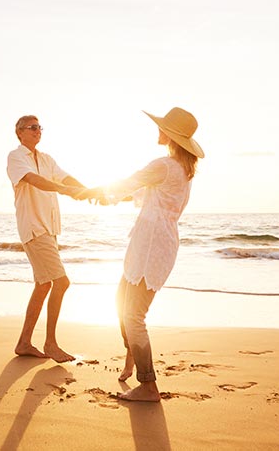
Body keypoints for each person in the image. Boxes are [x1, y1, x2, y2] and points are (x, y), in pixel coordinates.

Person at [81, 107, 204, 401]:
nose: (157, 130)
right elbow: (137, 193)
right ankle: (132, 355)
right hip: (152, 244)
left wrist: (94, 192)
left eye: (162, 127)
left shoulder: (164, 165)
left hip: (151, 247)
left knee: (134, 315)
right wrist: (109, 197)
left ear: (171, 136)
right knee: (120, 301)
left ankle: (148, 385)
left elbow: (129, 182)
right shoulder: (179, 169)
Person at [7, 115, 86, 363]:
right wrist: (65, 190)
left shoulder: (47, 159)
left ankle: (24, 343)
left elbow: (65, 178)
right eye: (32, 127)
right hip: (35, 229)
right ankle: (50, 344)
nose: (37, 131)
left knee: (43, 285)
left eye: (39, 127)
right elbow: (35, 180)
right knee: (61, 283)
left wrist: (87, 190)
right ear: (19, 132)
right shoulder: (16, 157)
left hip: (49, 230)